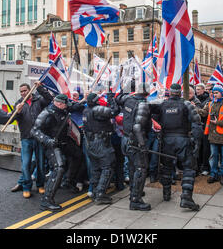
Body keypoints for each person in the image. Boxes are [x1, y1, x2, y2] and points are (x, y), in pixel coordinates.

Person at [152, 83, 203, 210]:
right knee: (189, 168)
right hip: (182, 140)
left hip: (167, 140)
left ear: (170, 92)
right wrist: (197, 141)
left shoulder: (162, 105)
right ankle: (186, 197)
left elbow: (154, 118)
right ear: (180, 92)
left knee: (167, 167)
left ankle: (166, 193)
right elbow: (196, 122)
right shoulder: (186, 104)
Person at [10, 81, 53, 198]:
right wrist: (16, 111)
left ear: (30, 90)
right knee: (26, 164)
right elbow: (13, 118)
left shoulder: (38, 100)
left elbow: (49, 99)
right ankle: (26, 187)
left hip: (39, 137)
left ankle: (40, 185)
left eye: (25, 90)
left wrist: (40, 88)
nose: (23, 93)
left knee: (40, 163)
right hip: (26, 138)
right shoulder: (18, 103)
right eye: (21, 91)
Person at [30, 94, 72, 212]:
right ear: (59, 104)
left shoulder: (61, 110)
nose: (66, 107)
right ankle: (47, 200)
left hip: (60, 143)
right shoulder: (46, 113)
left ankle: (66, 184)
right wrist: (47, 140)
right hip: (50, 145)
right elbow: (34, 130)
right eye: (64, 104)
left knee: (73, 158)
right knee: (58, 168)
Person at [116, 83, 153, 211]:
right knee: (141, 168)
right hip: (136, 140)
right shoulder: (143, 104)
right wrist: (142, 145)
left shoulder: (128, 99)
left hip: (125, 139)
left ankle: (134, 191)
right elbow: (137, 127)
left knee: (132, 167)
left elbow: (116, 98)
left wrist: (125, 85)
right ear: (147, 93)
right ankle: (135, 200)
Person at [82, 93, 119, 204]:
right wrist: (112, 99)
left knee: (96, 168)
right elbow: (114, 111)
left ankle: (94, 191)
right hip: (101, 142)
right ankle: (100, 194)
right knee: (107, 167)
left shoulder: (86, 110)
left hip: (90, 142)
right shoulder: (97, 109)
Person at [199, 85, 223, 185]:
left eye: (216, 92)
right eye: (213, 93)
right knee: (213, 156)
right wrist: (193, 108)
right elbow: (203, 113)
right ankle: (213, 174)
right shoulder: (210, 104)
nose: (214, 94)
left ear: (222, 93)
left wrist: (218, 123)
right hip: (213, 136)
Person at [195, 83, 211, 176]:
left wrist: (196, 108)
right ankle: (200, 166)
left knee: (205, 149)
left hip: (205, 127)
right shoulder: (196, 99)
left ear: (203, 90)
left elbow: (204, 113)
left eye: (199, 89)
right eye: (196, 89)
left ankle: (206, 167)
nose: (197, 91)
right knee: (199, 148)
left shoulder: (207, 100)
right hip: (198, 127)